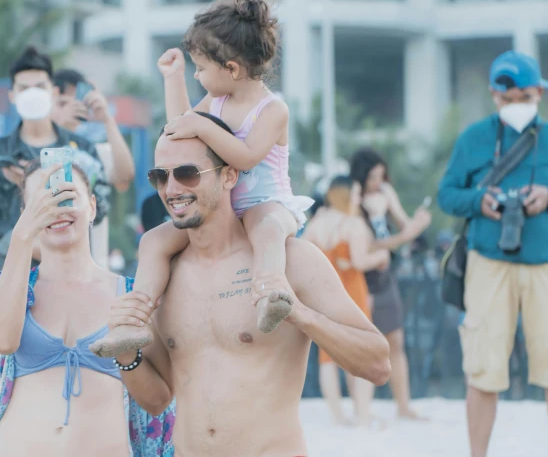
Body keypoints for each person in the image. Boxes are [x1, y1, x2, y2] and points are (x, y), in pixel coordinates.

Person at [104, 119, 390, 456]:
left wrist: (301, 316)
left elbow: (378, 365)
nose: (171, 189)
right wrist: (125, 356)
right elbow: (156, 400)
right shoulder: (164, 275)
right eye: (160, 177)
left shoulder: (289, 261)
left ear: (229, 175)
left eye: (187, 173)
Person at [92, 0, 314, 358]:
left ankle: (270, 292)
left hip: (267, 203)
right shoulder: (218, 100)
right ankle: (135, 317)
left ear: (232, 69)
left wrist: (205, 127)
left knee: (268, 228)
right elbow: (182, 127)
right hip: (219, 209)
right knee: (154, 242)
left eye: (200, 69)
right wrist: (173, 78)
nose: (198, 76)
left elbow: (244, 157)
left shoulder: (273, 110)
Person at [0, 160, 174, 457]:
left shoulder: (135, 294)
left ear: (92, 207)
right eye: (42, 201)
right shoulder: (1, 289)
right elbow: (3, 340)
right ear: (25, 216)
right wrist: (21, 237)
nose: (57, 209)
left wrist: (126, 355)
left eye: (66, 196)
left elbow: (158, 400)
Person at [438, 50, 548, 457]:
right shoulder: (473, 138)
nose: (515, 106)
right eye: (507, 99)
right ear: (494, 95)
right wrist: (479, 200)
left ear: (538, 93)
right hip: (488, 263)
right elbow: (446, 195)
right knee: (482, 370)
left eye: (523, 96)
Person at [0, 48, 110, 270]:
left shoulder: (80, 150)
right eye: (24, 88)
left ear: (53, 93)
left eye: (39, 87)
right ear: (12, 95)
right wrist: (25, 244)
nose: (32, 94)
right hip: (14, 267)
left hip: (71, 265)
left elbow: (101, 208)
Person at [349, 147, 431, 420]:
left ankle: (403, 406)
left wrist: (416, 226)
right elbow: (362, 246)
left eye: (381, 176)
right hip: (360, 278)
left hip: (384, 278)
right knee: (361, 346)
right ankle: (363, 410)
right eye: (372, 177)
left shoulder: (385, 193)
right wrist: (399, 240)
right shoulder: (352, 199)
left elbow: (405, 227)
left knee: (395, 341)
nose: (377, 182)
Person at [302, 176, 391, 428]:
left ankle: (338, 416)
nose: (358, 198)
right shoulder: (354, 224)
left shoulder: (317, 222)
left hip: (325, 292)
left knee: (327, 355)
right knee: (361, 348)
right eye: (355, 193)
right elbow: (360, 261)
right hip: (352, 292)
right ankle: (362, 413)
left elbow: (305, 253)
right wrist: (382, 256)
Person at [51, 68, 135, 268]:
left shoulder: (87, 151)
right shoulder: (32, 148)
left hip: (89, 261)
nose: (71, 109)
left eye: (76, 103)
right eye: (62, 103)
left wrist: (106, 118)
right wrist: (58, 126)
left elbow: (124, 174)